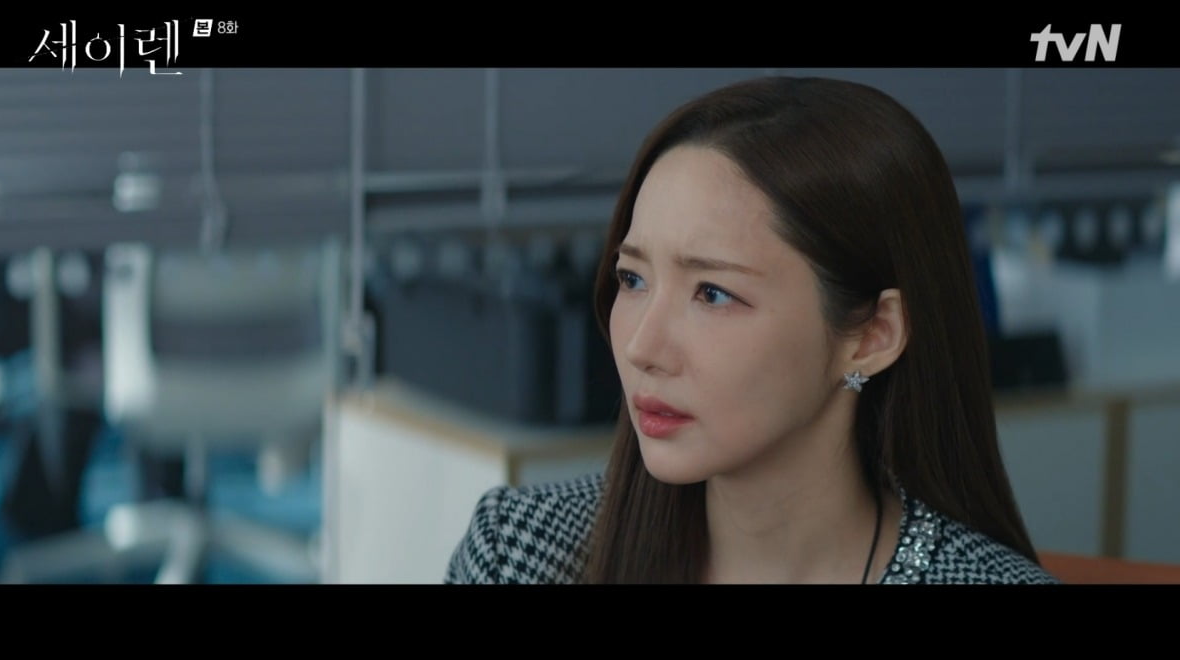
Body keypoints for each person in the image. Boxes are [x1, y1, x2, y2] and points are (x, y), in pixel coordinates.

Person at [444, 75, 1058, 584]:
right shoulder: (519, 555)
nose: (640, 346)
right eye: (632, 279)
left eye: (713, 293)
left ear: (873, 335)